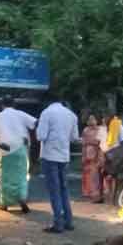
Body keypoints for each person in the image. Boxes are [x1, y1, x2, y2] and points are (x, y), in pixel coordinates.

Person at [36, 94, 79, 233]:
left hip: (49, 156)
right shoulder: (71, 115)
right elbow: (74, 138)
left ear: (47, 102)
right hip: (64, 156)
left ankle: (58, 224)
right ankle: (69, 221)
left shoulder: (47, 113)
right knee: (63, 189)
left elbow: (40, 136)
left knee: (54, 190)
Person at [0, 96, 37, 213]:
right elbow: (35, 123)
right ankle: (22, 200)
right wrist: (31, 141)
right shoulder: (21, 114)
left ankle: (4, 204)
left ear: (1, 105)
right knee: (21, 175)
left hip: (4, 149)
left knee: (5, 177)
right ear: (14, 104)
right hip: (21, 147)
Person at [102, 112, 123, 204]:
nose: (104, 119)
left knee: (114, 176)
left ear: (111, 118)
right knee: (105, 175)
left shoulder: (119, 127)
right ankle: (107, 195)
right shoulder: (104, 128)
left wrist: (119, 156)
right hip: (105, 153)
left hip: (115, 154)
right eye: (103, 117)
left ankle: (113, 197)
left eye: (105, 117)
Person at [81, 114, 105, 202]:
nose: (91, 121)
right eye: (89, 119)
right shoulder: (85, 130)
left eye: (93, 119)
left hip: (97, 152)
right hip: (88, 152)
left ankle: (97, 193)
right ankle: (88, 192)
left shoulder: (100, 130)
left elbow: (101, 143)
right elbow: (83, 144)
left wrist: (100, 155)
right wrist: (83, 156)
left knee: (96, 174)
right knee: (87, 173)